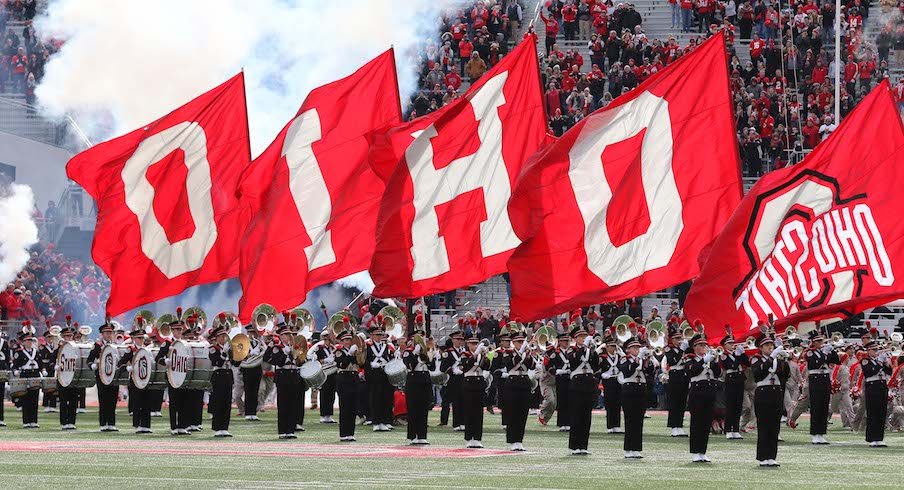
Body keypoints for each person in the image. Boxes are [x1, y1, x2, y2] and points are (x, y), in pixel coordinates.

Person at [750, 334, 790, 467]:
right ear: (760, 347)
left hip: (776, 393)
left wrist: (784, 360)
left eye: (771, 345)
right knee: (764, 426)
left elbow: (785, 376)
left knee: (774, 426)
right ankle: (763, 457)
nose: (770, 347)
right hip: (763, 392)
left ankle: (771, 456)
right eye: (767, 345)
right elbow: (758, 374)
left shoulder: (777, 360)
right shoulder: (757, 359)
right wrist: (772, 357)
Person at [685, 333, 721, 463]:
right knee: (697, 423)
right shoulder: (690, 358)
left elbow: (718, 373)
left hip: (710, 392)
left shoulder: (710, 359)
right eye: (701, 345)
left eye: (705, 345)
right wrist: (703, 361)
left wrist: (714, 361)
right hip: (697, 392)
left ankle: (702, 451)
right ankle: (695, 451)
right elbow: (691, 371)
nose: (704, 347)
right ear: (694, 347)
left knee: (706, 423)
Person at [499, 329, 534, 451]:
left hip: (524, 383)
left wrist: (529, 354)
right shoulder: (508, 353)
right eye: (519, 342)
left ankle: (519, 440)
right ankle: (512, 440)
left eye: (522, 341)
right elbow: (511, 364)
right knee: (512, 413)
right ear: (513, 342)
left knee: (522, 414)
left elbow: (532, 366)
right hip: (512, 383)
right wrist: (521, 352)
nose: (521, 343)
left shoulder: (526, 353)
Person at [567, 326, 600, 455]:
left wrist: (593, 350)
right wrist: (584, 348)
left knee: (587, 416)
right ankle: (574, 446)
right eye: (581, 337)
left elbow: (596, 364)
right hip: (577, 383)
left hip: (589, 384)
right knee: (576, 415)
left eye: (584, 336)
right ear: (575, 338)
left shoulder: (589, 350)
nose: (583, 339)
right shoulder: (572, 349)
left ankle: (583, 445)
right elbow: (574, 360)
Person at [263, 322, 300, 439]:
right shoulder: (277, 348)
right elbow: (276, 361)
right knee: (283, 404)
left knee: (293, 404)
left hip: (293, 375)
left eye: (289, 334)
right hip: (283, 375)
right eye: (285, 335)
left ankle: (291, 430)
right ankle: (283, 431)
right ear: (280, 336)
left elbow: (299, 362)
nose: (288, 336)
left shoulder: (293, 347)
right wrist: (286, 353)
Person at [156, 312, 189, 435]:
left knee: (184, 401)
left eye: (180, 329)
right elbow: (158, 358)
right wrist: (166, 361)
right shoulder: (168, 343)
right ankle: (174, 426)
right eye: (176, 330)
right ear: (172, 331)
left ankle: (182, 426)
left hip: (183, 374)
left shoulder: (185, 344)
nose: (179, 332)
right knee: (174, 401)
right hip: (172, 375)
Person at [805, 329, 840, 444]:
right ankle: (815, 434)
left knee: (824, 407)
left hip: (825, 379)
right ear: (813, 342)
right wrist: (825, 353)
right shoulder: (810, 352)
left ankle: (821, 433)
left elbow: (836, 361)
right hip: (815, 380)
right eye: (818, 341)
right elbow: (816, 363)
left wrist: (833, 349)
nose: (821, 343)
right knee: (816, 407)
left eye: (822, 340)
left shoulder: (824, 351)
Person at [618, 336, 651, 458]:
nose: (637, 349)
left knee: (639, 420)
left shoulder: (641, 359)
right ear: (628, 349)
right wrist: (638, 360)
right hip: (629, 390)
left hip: (641, 389)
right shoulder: (624, 359)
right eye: (635, 348)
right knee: (630, 420)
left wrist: (647, 361)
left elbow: (649, 371)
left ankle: (636, 448)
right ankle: (628, 449)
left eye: (638, 347)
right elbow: (628, 371)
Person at [402, 325, 436, 445]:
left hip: (425, 381)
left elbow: (432, 368)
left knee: (423, 409)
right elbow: (410, 366)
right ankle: (412, 436)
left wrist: (431, 355)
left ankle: (422, 435)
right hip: (414, 381)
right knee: (413, 409)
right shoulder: (408, 352)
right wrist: (415, 354)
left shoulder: (426, 351)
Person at [118, 326, 152, 433]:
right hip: (134, 379)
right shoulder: (131, 350)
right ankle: (137, 424)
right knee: (137, 402)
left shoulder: (147, 349)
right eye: (139, 338)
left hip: (145, 378)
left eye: (142, 338)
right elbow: (120, 363)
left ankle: (146, 425)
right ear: (134, 339)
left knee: (147, 402)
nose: (141, 340)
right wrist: (127, 368)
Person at [88, 316, 119, 431]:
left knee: (113, 399)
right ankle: (103, 424)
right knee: (103, 399)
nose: (108, 335)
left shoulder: (115, 346)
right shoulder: (97, 346)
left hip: (114, 376)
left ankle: (111, 423)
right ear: (102, 334)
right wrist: (93, 365)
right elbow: (89, 360)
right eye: (106, 332)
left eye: (110, 332)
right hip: (101, 375)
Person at [208, 322, 239, 437]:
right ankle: (217, 427)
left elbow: (235, 364)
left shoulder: (229, 348)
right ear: (216, 338)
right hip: (218, 375)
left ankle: (225, 427)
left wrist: (240, 354)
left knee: (227, 402)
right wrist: (224, 352)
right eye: (221, 336)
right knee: (218, 402)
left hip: (228, 375)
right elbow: (217, 362)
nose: (224, 338)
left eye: (225, 336)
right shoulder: (213, 348)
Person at [365, 317, 396, 432]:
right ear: (372, 335)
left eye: (380, 334)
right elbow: (363, 360)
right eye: (376, 335)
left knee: (386, 398)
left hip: (385, 375)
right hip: (373, 375)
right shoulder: (367, 346)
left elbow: (390, 359)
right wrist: (370, 364)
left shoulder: (387, 346)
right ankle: (376, 422)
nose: (379, 337)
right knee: (375, 399)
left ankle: (386, 421)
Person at [460, 332, 490, 448]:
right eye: (472, 344)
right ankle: (469, 438)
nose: (475, 346)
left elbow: (487, 366)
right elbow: (465, 366)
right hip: (469, 383)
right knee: (469, 412)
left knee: (478, 413)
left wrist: (484, 356)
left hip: (479, 383)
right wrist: (475, 354)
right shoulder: (464, 354)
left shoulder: (480, 354)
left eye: (476, 343)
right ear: (468, 344)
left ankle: (477, 438)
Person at [860, 340, 892, 447]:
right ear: (868, 350)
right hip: (872, 386)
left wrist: (887, 363)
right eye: (874, 349)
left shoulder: (880, 360)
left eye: (877, 349)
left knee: (882, 412)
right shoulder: (865, 360)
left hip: (882, 386)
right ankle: (872, 438)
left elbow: (889, 372)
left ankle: (879, 437)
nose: (876, 351)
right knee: (873, 412)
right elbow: (870, 372)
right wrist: (879, 362)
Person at [719, 328, 749, 439]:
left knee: (738, 405)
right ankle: (728, 430)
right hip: (731, 380)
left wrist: (743, 354)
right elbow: (731, 366)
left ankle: (735, 429)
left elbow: (747, 363)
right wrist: (737, 356)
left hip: (739, 380)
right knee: (730, 406)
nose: (732, 345)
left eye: (733, 343)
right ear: (724, 345)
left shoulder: (737, 354)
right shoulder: (724, 355)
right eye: (730, 343)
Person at [50, 323, 79, 430]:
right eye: (66, 336)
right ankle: (64, 422)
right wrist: (55, 366)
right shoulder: (58, 349)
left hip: (74, 377)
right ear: (63, 337)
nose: (69, 338)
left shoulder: (77, 348)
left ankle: (71, 421)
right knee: (63, 400)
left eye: (70, 336)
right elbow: (51, 362)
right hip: (62, 377)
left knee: (73, 401)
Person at [12, 323, 41, 428]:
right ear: (23, 342)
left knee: (34, 398)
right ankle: (26, 421)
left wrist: (43, 370)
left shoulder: (36, 352)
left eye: (31, 341)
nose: (30, 343)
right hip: (25, 375)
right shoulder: (19, 352)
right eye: (28, 341)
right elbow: (15, 365)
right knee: (26, 398)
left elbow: (41, 364)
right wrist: (15, 371)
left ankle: (34, 420)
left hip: (35, 374)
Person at [334, 329, 361, 442]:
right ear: (341, 341)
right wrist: (350, 354)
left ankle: (351, 433)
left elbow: (360, 362)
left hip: (354, 378)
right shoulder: (339, 352)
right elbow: (343, 364)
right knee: (345, 407)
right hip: (344, 379)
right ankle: (344, 433)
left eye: (349, 339)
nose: (348, 342)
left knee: (353, 407)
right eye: (345, 340)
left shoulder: (355, 351)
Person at [663, 327, 689, 437]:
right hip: (674, 376)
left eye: (680, 338)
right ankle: (673, 426)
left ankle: (679, 425)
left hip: (683, 376)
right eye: (677, 338)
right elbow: (673, 361)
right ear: (672, 339)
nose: (679, 340)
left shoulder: (682, 349)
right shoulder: (669, 349)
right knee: (674, 402)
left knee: (681, 402)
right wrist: (682, 350)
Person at [309, 330, 338, 424]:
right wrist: (325, 360)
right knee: (324, 394)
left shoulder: (333, 348)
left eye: (328, 338)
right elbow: (316, 361)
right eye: (325, 338)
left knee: (331, 394)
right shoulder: (319, 348)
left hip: (333, 372)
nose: (326, 340)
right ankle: (323, 415)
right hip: (324, 372)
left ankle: (329, 415)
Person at [439, 329, 465, 430]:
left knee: (463, 401)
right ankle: (456, 423)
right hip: (453, 380)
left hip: (463, 378)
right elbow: (443, 368)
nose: (460, 341)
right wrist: (452, 370)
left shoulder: (464, 352)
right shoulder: (448, 353)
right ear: (453, 340)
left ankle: (463, 422)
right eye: (457, 339)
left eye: (461, 339)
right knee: (456, 401)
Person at [239, 322, 265, 421]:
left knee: (255, 391)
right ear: (247, 332)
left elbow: (265, 353)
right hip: (247, 368)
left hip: (257, 368)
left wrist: (261, 346)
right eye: (250, 332)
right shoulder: (243, 342)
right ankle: (248, 412)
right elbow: (241, 355)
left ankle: (253, 412)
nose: (252, 335)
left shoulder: (259, 342)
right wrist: (251, 353)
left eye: (254, 332)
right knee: (248, 390)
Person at [547, 331, 572, 432]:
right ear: (560, 342)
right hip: (561, 378)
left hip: (570, 378)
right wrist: (556, 371)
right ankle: (562, 423)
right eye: (564, 341)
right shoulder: (555, 353)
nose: (566, 343)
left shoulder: (571, 352)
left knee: (570, 400)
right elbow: (548, 366)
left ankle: (569, 422)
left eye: (567, 341)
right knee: (562, 400)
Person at [599, 333, 623, 433]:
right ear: (606, 347)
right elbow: (597, 368)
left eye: (614, 346)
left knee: (617, 403)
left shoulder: (619, 356)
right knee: (610, 403)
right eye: (611, 346)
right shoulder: (603, 357)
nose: (613, 348)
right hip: (608, 382)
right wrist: (603, 374)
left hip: (617, 381)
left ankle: (617, 425)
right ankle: (610, 426)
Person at [0, 330, 9, 427]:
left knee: (1, 396)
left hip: (1, 371)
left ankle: (1, 418)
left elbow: (7, 358)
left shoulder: (5, 343)